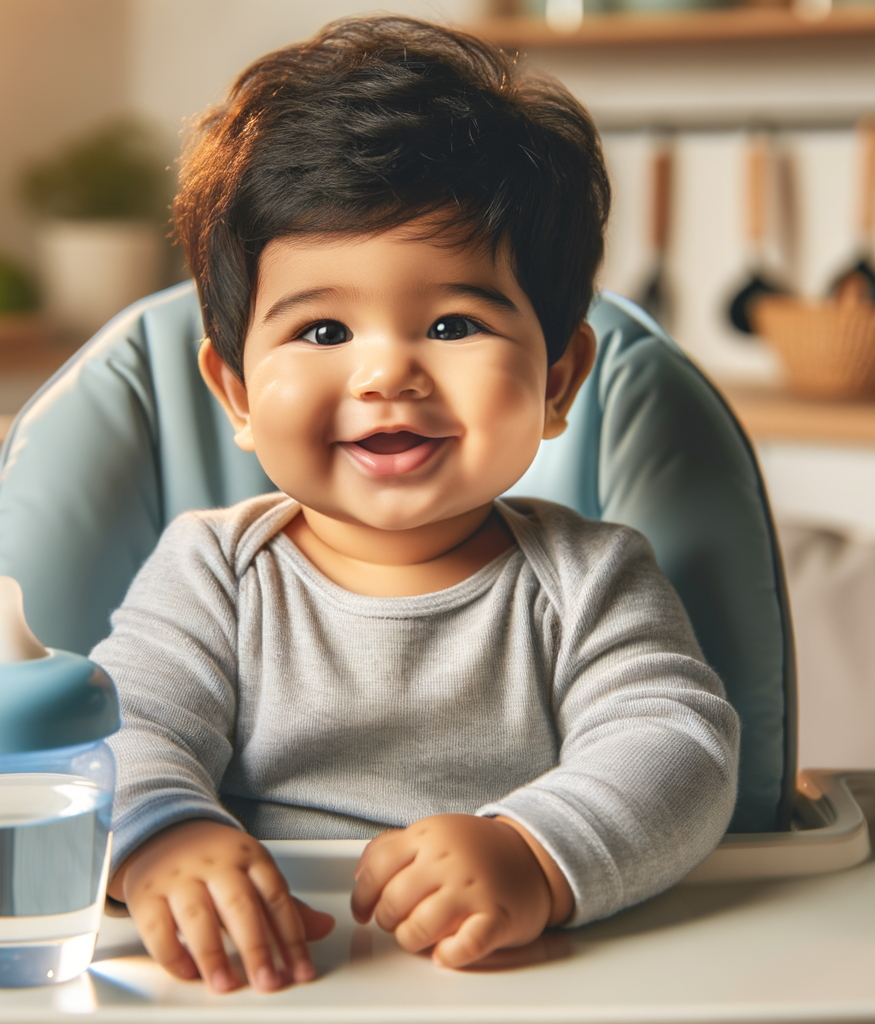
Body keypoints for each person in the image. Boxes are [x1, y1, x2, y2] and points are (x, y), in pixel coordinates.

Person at [94, 15, 739, 994]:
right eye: (321, 328)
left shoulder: (590, 577)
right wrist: (163, 839)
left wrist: (533, 854)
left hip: (520, 980)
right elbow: (121, 728)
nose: (386, 369)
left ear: (559, 379)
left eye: (450, 322)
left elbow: (677, 746)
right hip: (264, 970)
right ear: (232, 392)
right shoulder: (213, 571)